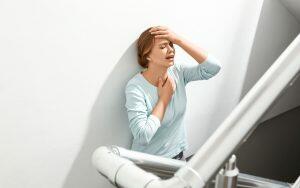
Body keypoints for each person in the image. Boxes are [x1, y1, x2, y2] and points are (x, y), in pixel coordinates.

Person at [124, 26, 221, 161]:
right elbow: (142, 136)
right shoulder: (136, 87)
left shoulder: (178, 72)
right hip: (147, 165)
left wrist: (179, 40)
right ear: (147, 55)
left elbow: (214, 67)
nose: (171, 50)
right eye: (163, 46)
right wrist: (164, 99)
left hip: (178, 156)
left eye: (171, 45)